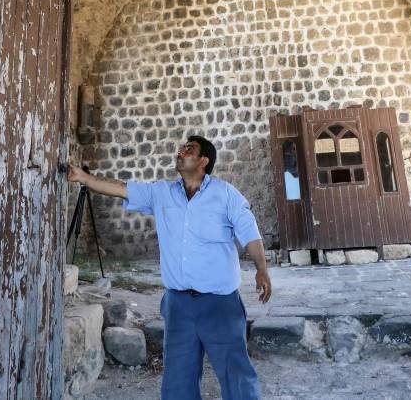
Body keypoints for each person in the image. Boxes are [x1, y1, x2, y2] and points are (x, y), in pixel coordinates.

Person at [67, 135, 271, 400]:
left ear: (203, 161)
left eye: (189, 149)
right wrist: (83, 178)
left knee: (237, 376)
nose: (181, 151)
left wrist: (262, 269)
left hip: (220, 304)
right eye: (182, 147)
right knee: (178, 381)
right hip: (178, 306)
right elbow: (121, 188)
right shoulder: (162, 193)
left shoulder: (225, 194)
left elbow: (250, 233)